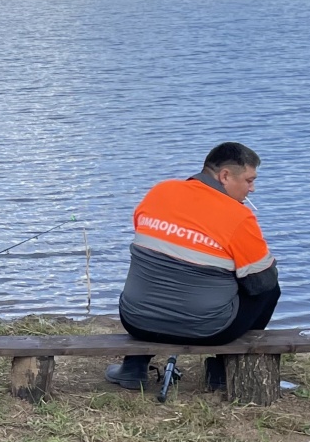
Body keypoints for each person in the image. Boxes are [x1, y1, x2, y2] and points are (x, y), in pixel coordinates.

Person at [108, 142, 279, 391]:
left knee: (156, 269)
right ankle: (222, 371)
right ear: (225, 176)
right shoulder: (238, 216)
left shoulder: (159, 191)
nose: (252, 189)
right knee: (267, 286)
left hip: (136, 320)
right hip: (208, 330)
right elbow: (263, 282)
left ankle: (133, 368)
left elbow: (152, 242)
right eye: (249, 180)